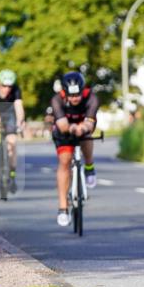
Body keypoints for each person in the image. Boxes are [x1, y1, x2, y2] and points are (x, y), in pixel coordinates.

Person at [51, 71, 99, 227]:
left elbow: (90, 123)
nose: (75, 99)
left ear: (83, 90)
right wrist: (73, 128)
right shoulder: (57, 100)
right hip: (64, 130)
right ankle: (63, 207)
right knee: (65, 161)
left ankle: (89, 167)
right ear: (64, 92)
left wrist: (83, 128)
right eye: (71, 96)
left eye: (77, 94)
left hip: (84, 128)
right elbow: (63, 125)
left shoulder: (91, 98)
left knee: (87, 137)